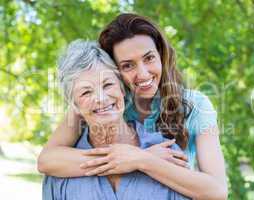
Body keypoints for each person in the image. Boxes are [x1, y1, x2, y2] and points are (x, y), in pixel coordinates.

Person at [38, 13, 227, 200]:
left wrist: (141, 159)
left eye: (149, 58)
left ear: (161, 55)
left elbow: (217, 191)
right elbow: (47, 160)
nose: (143, 74)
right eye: (128, 65)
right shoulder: (107, 103)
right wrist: (126, 159)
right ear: (115, 71)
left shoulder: (196, 106)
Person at [43, 40, 190, 200]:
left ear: (122, 89)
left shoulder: (167, 154)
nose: (101, 98)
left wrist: (141, 158)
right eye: (86, 92)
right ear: (75, 107)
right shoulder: (59, 171)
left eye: (107, 85)